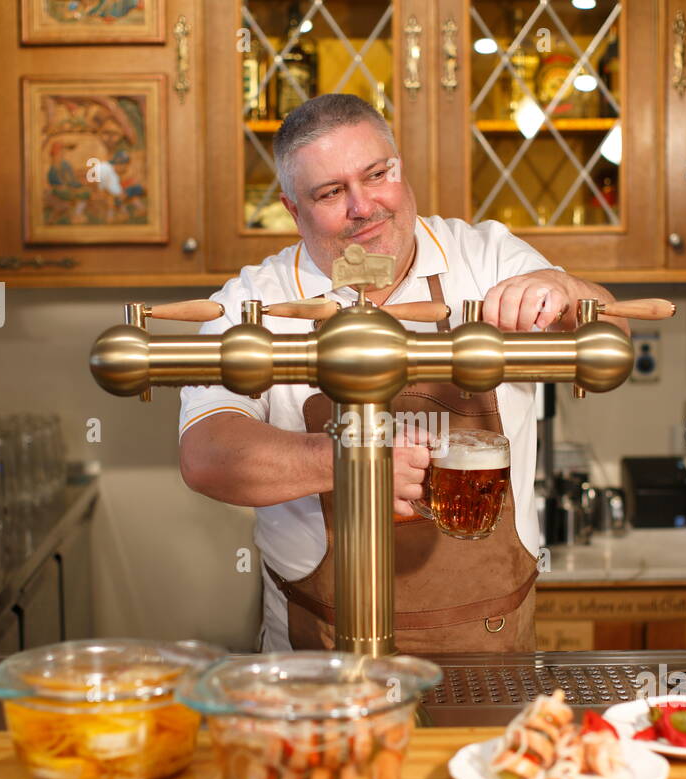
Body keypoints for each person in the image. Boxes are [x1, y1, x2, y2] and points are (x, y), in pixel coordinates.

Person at [177, 94, 624, 654]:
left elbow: (609, 342)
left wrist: (565, 292)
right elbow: (207, 455)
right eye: (331, 193)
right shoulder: (254, 300)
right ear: (294, 210)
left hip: (489, 649)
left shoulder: (486, 256)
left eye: (377, 174)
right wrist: (349, 464)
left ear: (400, 168)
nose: (363, 207)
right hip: (322, 658)